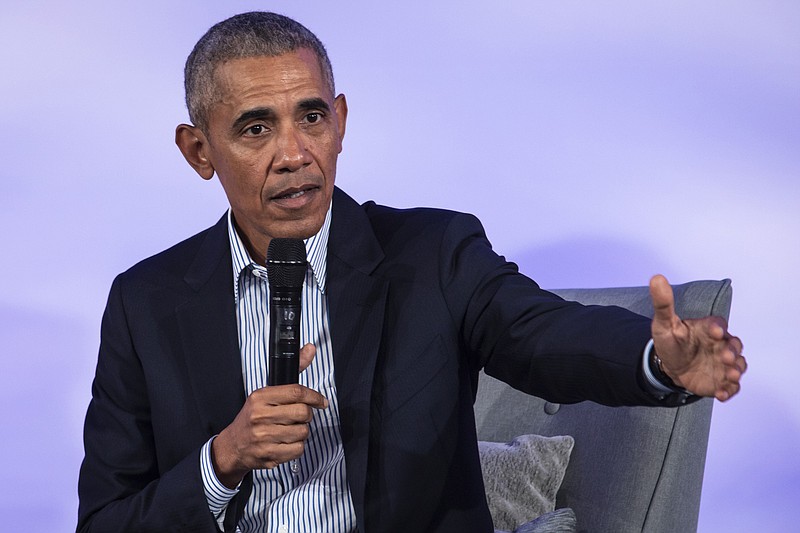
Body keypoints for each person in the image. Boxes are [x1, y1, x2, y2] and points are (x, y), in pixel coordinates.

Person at [77, 11, 747, 533]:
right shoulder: (146, 303)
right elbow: (105, 520)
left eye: (310, 117)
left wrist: (653, 361)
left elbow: (541, 334)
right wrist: (222, 457)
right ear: (199, 150)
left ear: (339, 122)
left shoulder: (433, 252)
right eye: (255, 129)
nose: (293, 153)